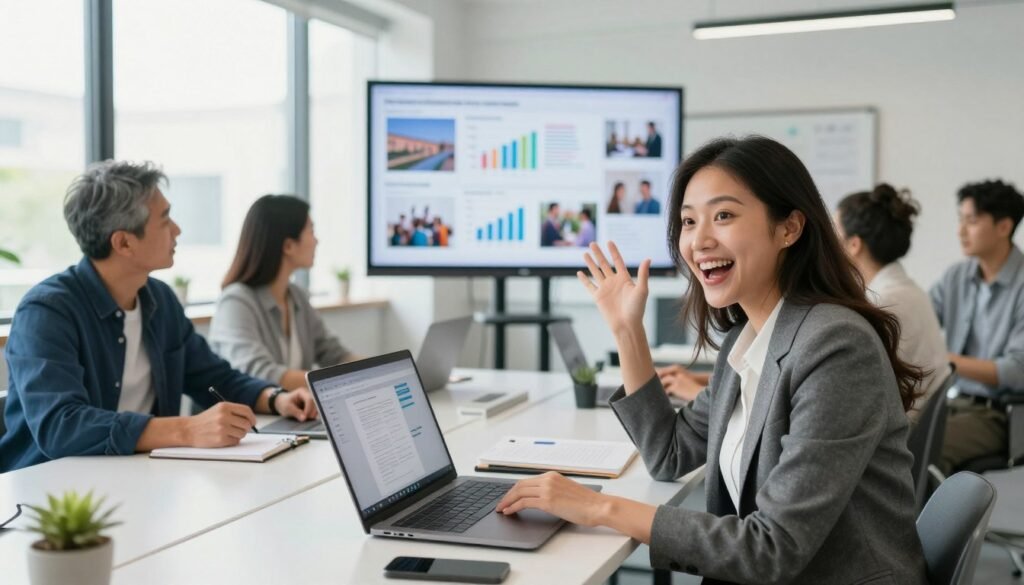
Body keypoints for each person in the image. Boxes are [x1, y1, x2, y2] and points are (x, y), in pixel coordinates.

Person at [496, 136, 927, 584]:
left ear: (789, 229)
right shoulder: (747, 340)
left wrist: (598, 507)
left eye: (723, 216)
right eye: (687, 221)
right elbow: (670, 453)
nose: (699, 240)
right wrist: (628, 330)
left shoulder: (836, 347)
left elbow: (772, 549)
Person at [0, 162, 317, 473]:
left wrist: (276, 399)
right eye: (165, 220)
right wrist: (187, 430)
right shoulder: (47, 312)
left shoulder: (160, 299)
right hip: (53, 495)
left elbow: (214, 377)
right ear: (124, 242)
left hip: (143, 478)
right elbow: (61, 427)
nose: (177, 229)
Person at [209, 195, 357, 393]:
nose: (316, 241)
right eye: (311, 231)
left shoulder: (296, 296)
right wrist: (342, 382)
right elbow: (258, 372)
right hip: (250, 418)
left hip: (289, 416)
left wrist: (375, 373)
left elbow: (333, 353)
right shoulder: (236, 301)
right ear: (288, 246)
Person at [836, 184, 951, 424]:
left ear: (854, 245)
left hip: (902, 433)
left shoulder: (882, 302)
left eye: (834, 233)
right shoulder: (906, 290)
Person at [931, 179, 1024, 474]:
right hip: (950, 403)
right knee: (886, 438)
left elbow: (1016, 371)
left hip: (996, 415)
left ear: (1003, 227)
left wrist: (945, 361)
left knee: (922, 449)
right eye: (961, 219)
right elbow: (918, 321)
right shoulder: (956, 277)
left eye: (971, 221)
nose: (960, 231)